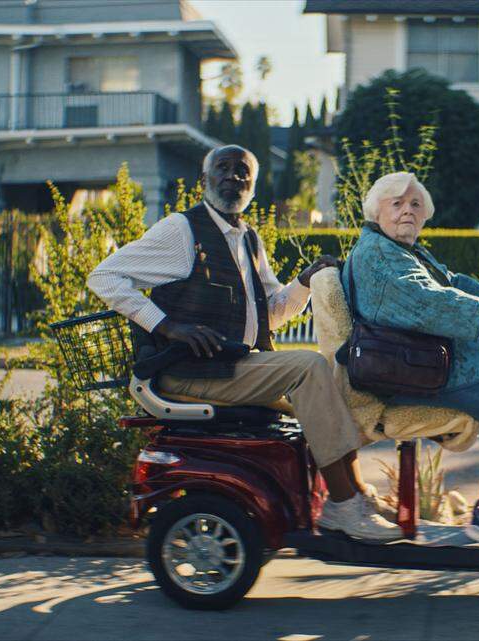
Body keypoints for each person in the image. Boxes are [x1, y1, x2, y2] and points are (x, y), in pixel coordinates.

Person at [88, 145, 399, 542]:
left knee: (334, 386)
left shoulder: (248, 238)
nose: (234, 177)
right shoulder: (180, 231)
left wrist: (304, 281)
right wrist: (167, 326)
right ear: (204, 180)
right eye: (224, 169)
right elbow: (104, 277)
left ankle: (353, 497)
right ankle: (343, 506)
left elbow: (268, 313)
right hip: (190, 371)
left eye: (243, 172)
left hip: (230, 366)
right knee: (308, 368)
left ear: (253, 186)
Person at [342, 172, 479, 551]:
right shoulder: (377, 255)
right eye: (397, 203)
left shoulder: (403, 250)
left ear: (424, 216)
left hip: (429, 365)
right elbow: (426, 301)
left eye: (415, 205)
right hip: (412, 373)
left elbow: (451, 282)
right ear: (377, 211)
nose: (407, 211)